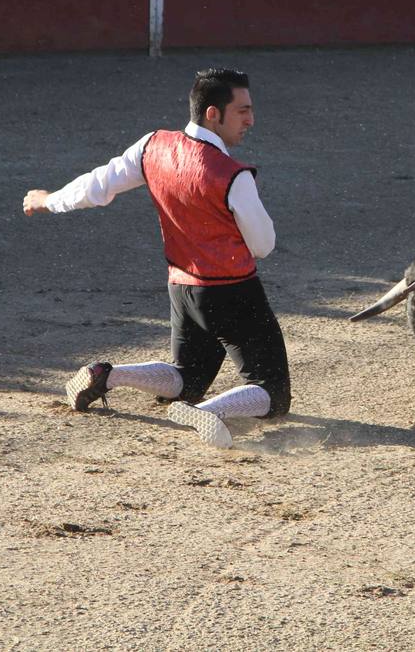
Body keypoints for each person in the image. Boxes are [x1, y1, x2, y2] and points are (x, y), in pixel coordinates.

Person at [22, 68, 289, 449]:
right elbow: (263, 245)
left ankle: (107, 375)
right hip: (233, 292)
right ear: (213, 113)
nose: (251, 120)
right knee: (272, 391)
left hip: (182, 287)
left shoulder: (152, 146)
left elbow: (99, 184)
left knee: (187, 376)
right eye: (242, 110)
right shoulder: (233, 175)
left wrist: (47, 200)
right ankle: (210, 412)